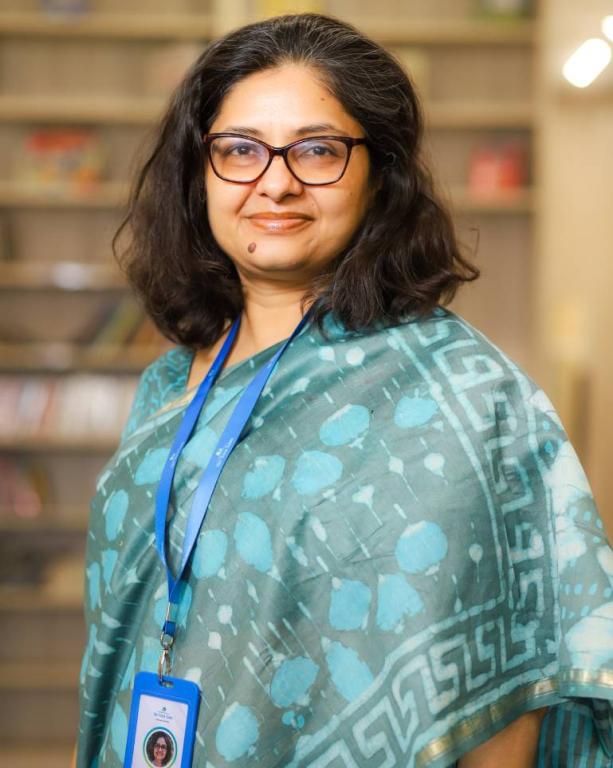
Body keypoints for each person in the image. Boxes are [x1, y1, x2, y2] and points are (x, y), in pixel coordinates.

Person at [74, 12, 613, 768]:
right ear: (199, 175)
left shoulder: (460, 393)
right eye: (239, 150)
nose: (276, 182)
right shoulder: (171, 381)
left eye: (318, 150)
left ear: (379, 176)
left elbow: (505, 689)